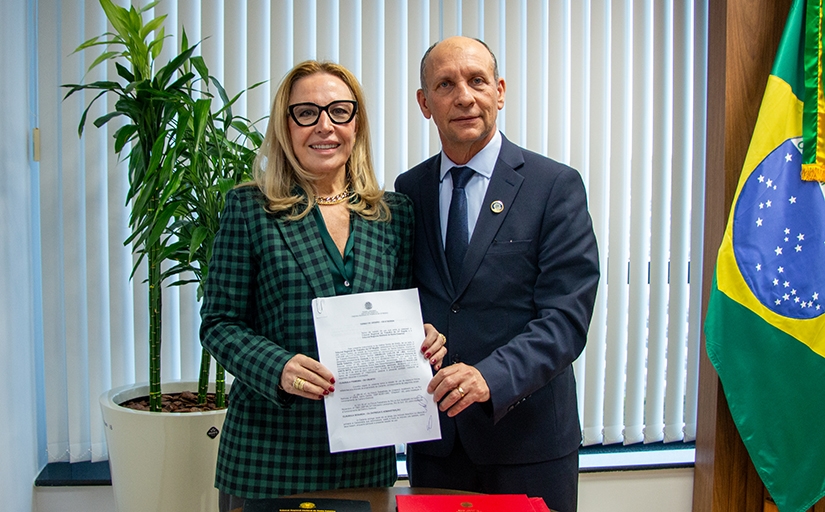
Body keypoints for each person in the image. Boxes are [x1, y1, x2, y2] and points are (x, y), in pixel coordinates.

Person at [200, 60, 447, 511]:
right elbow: (219, 323)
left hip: (363, 457)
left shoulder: (394, 214)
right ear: (286, 124)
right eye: (307, 113)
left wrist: (424, 338)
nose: (325, 126)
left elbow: (406, 312)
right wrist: (277, 367)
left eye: (339, 111)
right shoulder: (250, 209)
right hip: (268, 457)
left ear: (357, 123)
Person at [394, 36, 600, 512]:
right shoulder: (410, 190)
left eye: (477, 80)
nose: (464, 96)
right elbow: (406, 298)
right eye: (445, 84)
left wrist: (491, 376)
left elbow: (566, 317)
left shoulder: (554, 186)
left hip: (528, 444)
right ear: (425, 103)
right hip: (437, 445)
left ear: (500, 91)